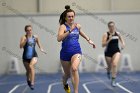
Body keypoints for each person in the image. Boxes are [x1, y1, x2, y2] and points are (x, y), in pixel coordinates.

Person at [57, 5, 96, 93]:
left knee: (74, 68)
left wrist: (89, 40)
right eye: (69, 16)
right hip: (65, 53)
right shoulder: (63, 27)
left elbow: (81, 33)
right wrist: (70, 30)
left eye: (72, 16)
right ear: (65, 17)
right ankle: (65, 84)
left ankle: (76, 91)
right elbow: (59, 39)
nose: (71, 18)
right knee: (67, 75)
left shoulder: (77, 26)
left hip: (76, 51)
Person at [20, 25, 46, 90]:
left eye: (30, 30)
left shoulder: (35, 37)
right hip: (25, 57)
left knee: (31, 66)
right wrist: (25, 41)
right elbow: (20, 46)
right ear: (25, 31)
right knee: (28, 71)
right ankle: (28, 79)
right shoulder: (23, 37)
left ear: (32, 30)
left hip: (34, 55)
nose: (29, 31)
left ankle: (32, 83)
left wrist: (41, 49)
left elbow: (39, 44)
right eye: (28, 30)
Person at [102, 21, 125, 87]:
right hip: (108, 52)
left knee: (114, 64)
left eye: (113, 26)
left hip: (116, 51)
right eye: (110, 26)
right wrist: (109, 39)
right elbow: (103, 45)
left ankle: (113, 80)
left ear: (114, 26)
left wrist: (123, 44)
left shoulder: (117, 33)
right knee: (109, 66)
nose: (112, 27)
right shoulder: (106, 34)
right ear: (108, 27)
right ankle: (108, 71)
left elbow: (122, 41)